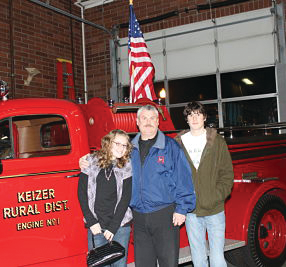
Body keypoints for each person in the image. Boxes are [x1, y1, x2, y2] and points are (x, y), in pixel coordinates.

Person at [130, 104, 196, 267]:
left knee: (168, 263)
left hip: (165, 215)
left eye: (152, 118)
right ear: (137, 122)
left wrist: (182, 209)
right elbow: (109, 163)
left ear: (158, 122)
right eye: (144, 118)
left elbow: (183, 178)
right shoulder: (129, 149)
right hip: (138, 216)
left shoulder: (170, 146)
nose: (148, 122)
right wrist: (87, 161)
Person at [175, 101, 234, 267]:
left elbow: (227, 173)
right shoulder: (178, 143)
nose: (194, 118)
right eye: (190, 115)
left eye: (198, 114)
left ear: (204, 117)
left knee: (217, 258)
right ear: (186, 119)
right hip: (191, 211)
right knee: (198, 257)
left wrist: (216, 196)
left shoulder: (217, 141)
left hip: (214, 209)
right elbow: (174, 176)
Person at [77, 129, 133, 267]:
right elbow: (81, 193)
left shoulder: (126, 165)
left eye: (124, 145)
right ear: (108, 143)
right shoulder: (90, 161)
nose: (121, 148)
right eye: (117, 143)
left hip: (119, 226)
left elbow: (125, 198)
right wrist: (91, 222)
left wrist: (113, 228)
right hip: (96, 226)